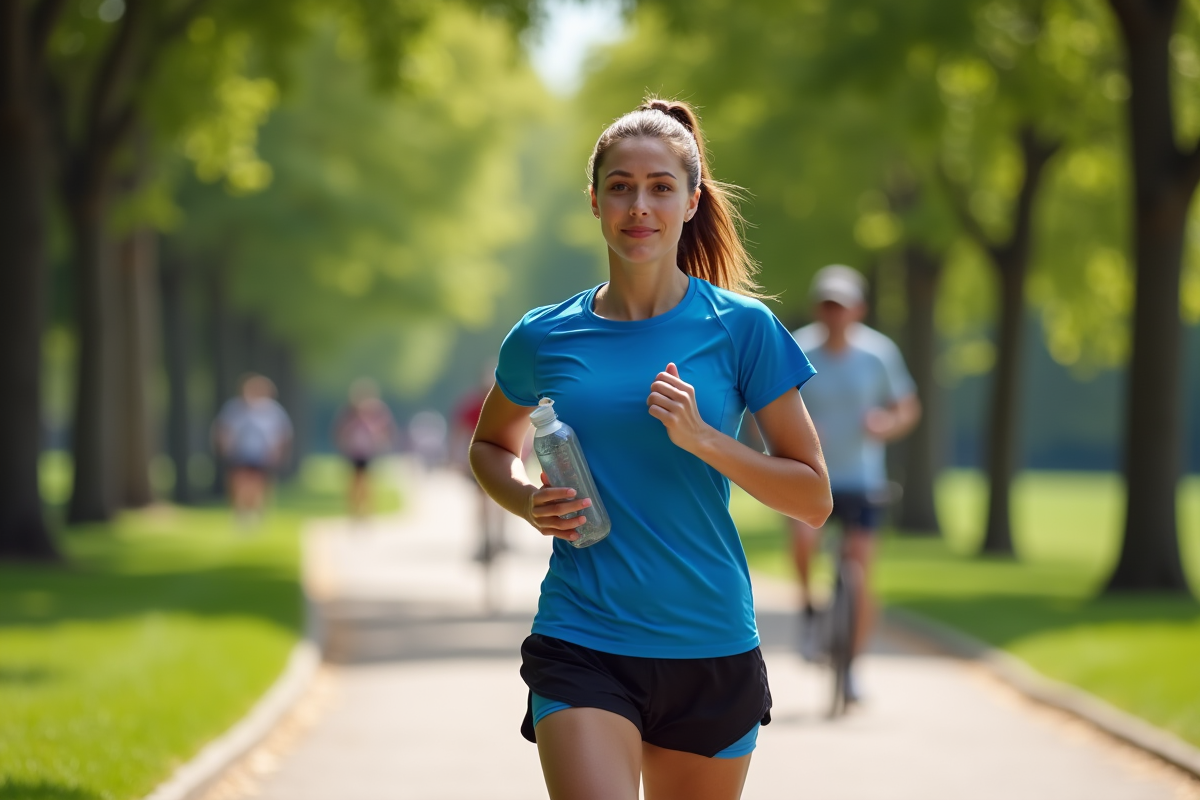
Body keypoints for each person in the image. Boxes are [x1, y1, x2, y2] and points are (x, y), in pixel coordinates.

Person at [468, 98, 831, 800]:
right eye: (622, 187)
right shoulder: (544, 336)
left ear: (692, 201)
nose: (641, 206)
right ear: (596, 202)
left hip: (710, 643)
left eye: (662, 187)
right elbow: (490, 444)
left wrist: (706, 441)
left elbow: (813, 497)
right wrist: (524, 499)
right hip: (584, 636)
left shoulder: (742, 329)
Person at [789, 265, 921, 699]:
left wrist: (886, 422)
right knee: (804, 546)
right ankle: (810, 612)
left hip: (863, 479)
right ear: (817, 308)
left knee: (861, 572)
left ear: (858, 309)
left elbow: (907, 407)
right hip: (812, 475)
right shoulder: (798, 349)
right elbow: (768, 408)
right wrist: (798, 431)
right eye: (827, 305)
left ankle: (852, 667)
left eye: (842, 306)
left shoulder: (879, 354)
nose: (834, 313)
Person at [213, 374, 293, 526]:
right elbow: (223, 429)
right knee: (238, 482)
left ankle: (258, 513)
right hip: (239, 452)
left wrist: (278, 452)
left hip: (263, 453)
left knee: (260, 484)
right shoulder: (234, 408)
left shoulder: (273, 411)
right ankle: (240, 514)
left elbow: (283, 433)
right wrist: (225, 447)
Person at [451, 363, 510, 563]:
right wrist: (455, 458)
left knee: (503, 499)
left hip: (502, 458)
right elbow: (459, 433)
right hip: (479, 459)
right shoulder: (474, 406)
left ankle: (499, 537)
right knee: (481, 499)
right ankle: (484, 538)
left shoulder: (507, 404)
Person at [333, 378, 397, 518]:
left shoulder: (377, 412)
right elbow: (341, 431)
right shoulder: (350, 412)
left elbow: (386, 430)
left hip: (370, 451)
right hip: (353, 451)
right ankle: (354, 509)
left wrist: (380, 440)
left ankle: (366, 510)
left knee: (367, 481)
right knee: (354, 481)